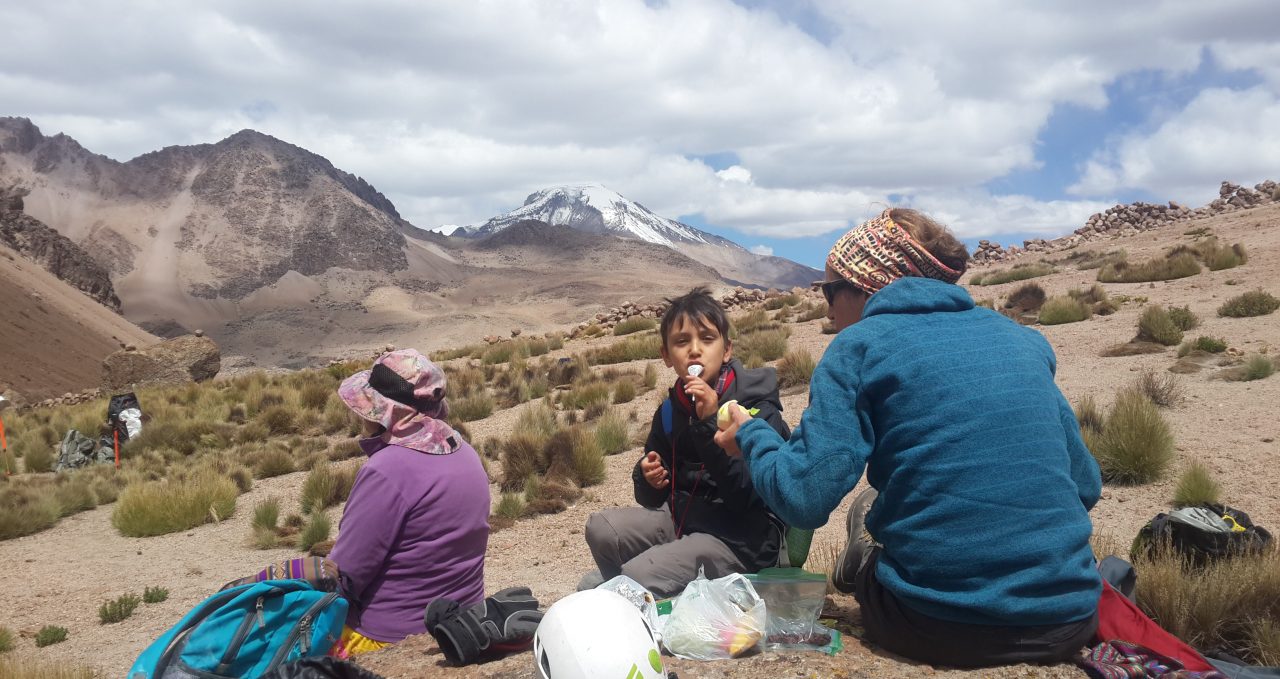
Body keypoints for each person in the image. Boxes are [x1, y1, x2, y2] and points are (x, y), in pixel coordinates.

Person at [716, 208, 1102, 668]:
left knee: (875, 545)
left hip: (933, 625)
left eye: (830, 290)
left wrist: (752, 435)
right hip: (1069, 620)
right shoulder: (1024, 341)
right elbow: (1085, 486)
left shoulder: (858, 349)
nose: (825, 306)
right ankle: (875, 521)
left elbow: (803, 497)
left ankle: (864, 548)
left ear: (867, 287)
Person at [582, 287, 791, 597]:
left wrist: (709, 423)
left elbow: (747, 496)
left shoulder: (753, 406)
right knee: (602, 530)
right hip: (685, 521)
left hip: (742, 537)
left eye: (707, 339)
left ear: (727, 350)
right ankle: (635, 600)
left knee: (638, 575)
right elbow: (652, 499)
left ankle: (636, 597)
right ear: (666, 355)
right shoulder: (669, 411)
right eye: (682, 342)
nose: (695, 350)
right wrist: (649, 478)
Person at [329, 349, 490, 656]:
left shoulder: (386, 470)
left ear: (386, 412)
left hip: (383, 635)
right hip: (464, 622)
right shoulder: (465, 453)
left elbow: (346, 575)